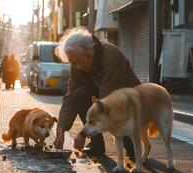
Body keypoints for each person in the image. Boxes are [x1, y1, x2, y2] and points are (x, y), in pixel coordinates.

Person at [53, 29, 141, 160]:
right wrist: (61, 128)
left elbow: (107, 100)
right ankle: (96, 144)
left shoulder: (111, 56)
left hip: (127, 101)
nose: (76, 66)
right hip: (103, 96)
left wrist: (83, 134)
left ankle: (132, 144)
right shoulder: (77, 63)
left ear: (91, 52)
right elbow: (70, 96)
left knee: (134, 154)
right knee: (79, 94)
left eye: (79, 61)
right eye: (72, 63)